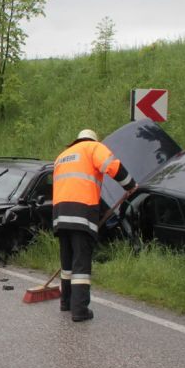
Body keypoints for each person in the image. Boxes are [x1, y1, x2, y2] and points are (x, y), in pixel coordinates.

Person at [52, 129, 136, 322]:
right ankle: (80, 310)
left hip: (60, 215)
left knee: (67, 263)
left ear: (78, 139)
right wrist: (130, 185)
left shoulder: (62, 156)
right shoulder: (93, 148)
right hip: (81, 212)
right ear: (93, 139)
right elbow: (112, 165)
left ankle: (66, 303)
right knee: (81, 263)